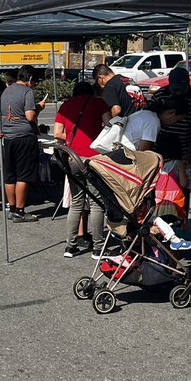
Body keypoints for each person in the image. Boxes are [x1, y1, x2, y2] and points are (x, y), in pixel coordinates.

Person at [54, 81, 110, 257]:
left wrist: (74, 137)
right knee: (96, 202)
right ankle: (98, 247)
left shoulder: (65, 105)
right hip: (94, 158)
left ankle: (70, 246)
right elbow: (110, 126)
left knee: (76, 201)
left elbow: (57, 133)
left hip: (73, 157)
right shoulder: (99, 103)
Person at [0, 65, 41, 223]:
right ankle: (20, 211)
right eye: (34, 81)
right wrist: (39, 108)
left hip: (8, 136)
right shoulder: (27, 91)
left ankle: (12, 208)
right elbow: (30, 116)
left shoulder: (6, 90)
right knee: (23, 175)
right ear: (30, 79)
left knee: (10, 175)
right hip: (24, 136)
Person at [157, 66, 191, 164]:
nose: (177, 92)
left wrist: (190, 150)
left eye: (181, 89)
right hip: (161, 146)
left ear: (188, 83)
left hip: (185, 148)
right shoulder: (160, 95)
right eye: (174, 89)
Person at [121, 95, 188, 152]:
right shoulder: (153, 121)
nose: (175, 124)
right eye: (177, 120)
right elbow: (143, 152)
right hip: (125, 152)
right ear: (171, 112)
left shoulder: (145, 113)